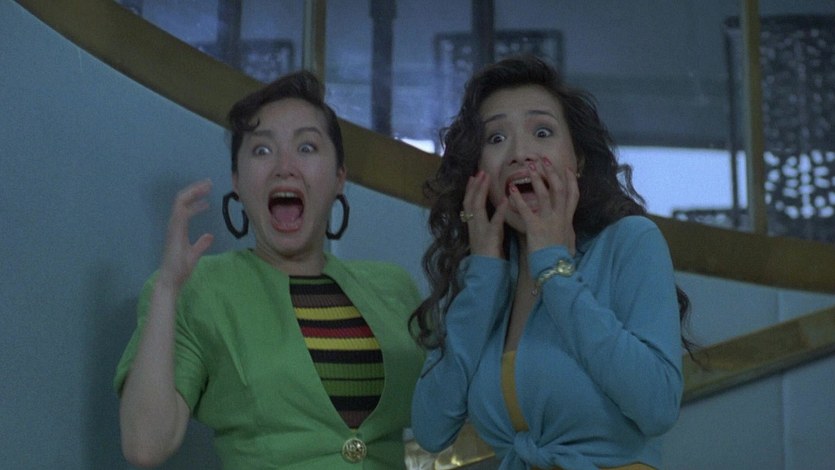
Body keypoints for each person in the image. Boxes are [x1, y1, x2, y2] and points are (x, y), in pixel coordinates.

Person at [114, 70, 424, 469]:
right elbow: (145, 445)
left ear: (339, 178)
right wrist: (167, 289)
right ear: (237, 181)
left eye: (307, 147)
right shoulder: (198, 289)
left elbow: (450, 413)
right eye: (262, 150)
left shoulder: (393, 287)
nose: (284, 167)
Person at [409, 55, 690, 470]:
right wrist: (483, 278)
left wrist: (555, 267)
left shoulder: (631, 242)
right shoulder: (484, 277)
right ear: (477, 171)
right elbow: (431, 429)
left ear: (578, 160)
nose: (520, 153)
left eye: (542, 132)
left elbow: (658, 407)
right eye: (496, 138)